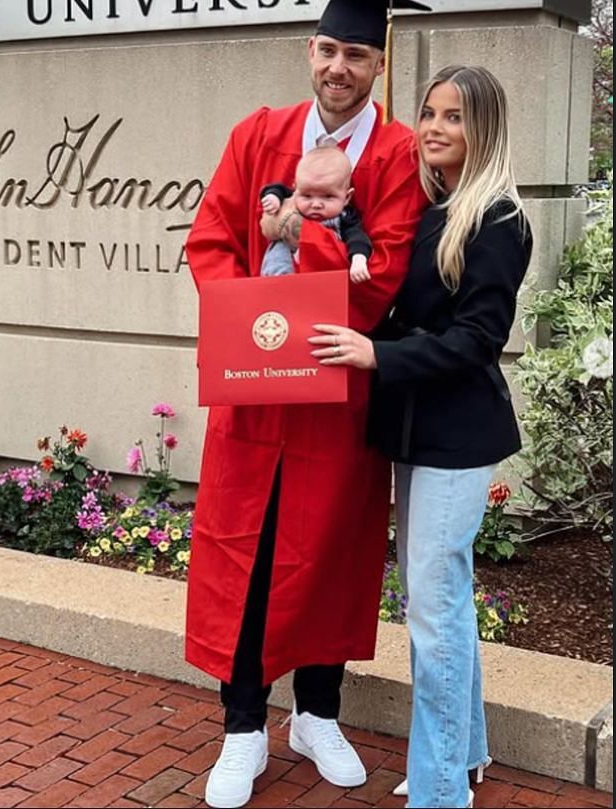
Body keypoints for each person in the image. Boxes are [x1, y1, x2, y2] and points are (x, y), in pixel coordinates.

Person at [182, 1, 431, 806]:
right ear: (308, 51)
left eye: (356, 54)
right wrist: (248, 318)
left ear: (379, 64)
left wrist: (304, 242)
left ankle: (318, 712)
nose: (338, 67)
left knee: (328, 553)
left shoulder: (394, 154)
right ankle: (243, 727)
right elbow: (211, 238)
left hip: (336, 392)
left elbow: (384, 269)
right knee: (245, 557)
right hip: (254, 391)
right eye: (328, 50)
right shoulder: (259, 134)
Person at [313, 65, 530, 809]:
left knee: (434, 613)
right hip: (417, 430)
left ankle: (441, 791)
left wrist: (379, 353)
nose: (435, 127)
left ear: (485, 129)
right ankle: (463, 754)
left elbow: (476, 339)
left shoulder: (497, 218)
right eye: (430, 113)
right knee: (446, 601)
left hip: (456, 436)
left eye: (455, 117)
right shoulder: (438, 207)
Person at [259, 145, 373, 283]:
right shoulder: (294, 202)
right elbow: (277, 188)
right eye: (307, 196)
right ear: (296, 190)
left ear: (347, 197)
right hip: (276, 277)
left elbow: (357, 238)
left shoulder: (344, 217)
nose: (316, 204)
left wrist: (358, 259)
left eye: (328, 196)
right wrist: (274, 198)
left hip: (319, 283)